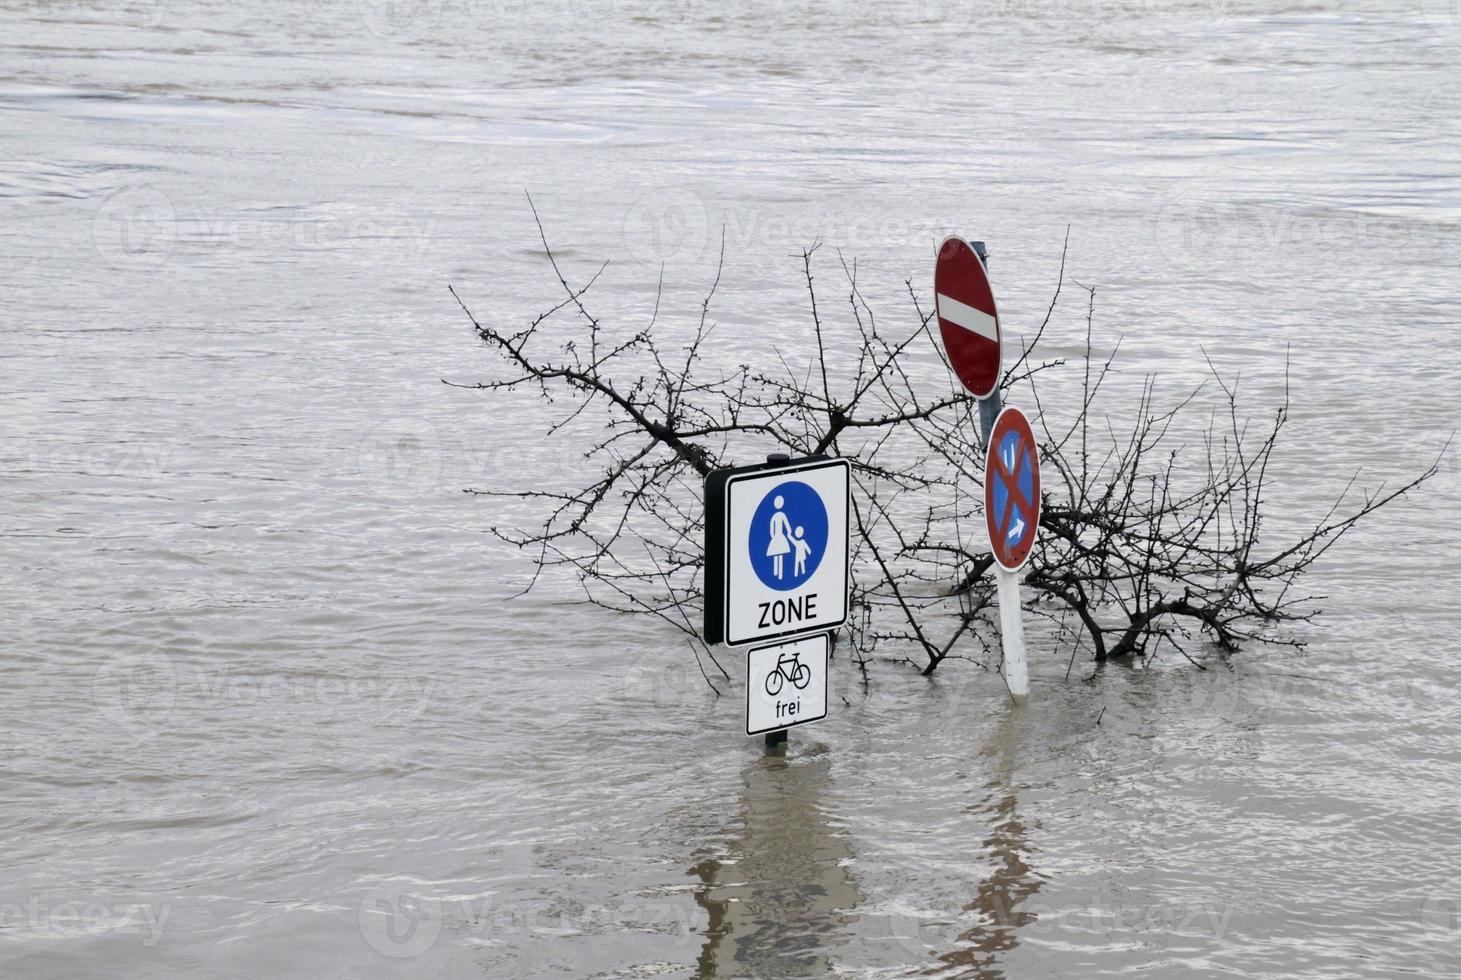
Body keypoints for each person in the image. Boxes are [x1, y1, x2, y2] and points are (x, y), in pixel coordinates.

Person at [766, 495, 793, 579]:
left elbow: (772, 529)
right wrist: (789, 532)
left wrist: (773, 536)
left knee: (778, 554)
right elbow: (787, 526)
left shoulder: (778, 515)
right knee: (778, 554)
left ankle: (778, 573)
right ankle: (777, 573)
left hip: (777, 537)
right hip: (779, 537)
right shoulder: (779, 515)